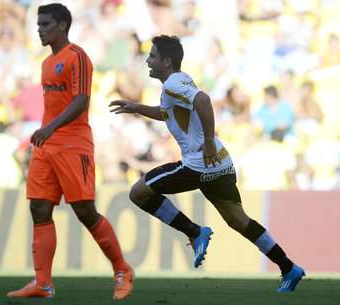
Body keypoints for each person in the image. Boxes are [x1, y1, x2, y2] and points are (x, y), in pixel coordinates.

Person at [109, 35, 305, 292]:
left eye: (153, 56)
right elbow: (165, 112)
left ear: (167, 61)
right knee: (238, 220)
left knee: (138, 193)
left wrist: (209, 141)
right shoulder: (177, 82)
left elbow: (203, 100)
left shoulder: (172, 85)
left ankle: (194, 231)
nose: (148, 60)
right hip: (220, 163)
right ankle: (289, 267)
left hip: (198, 165)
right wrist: (137, 107)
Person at [7, 3, 133, 300]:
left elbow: (81, 101)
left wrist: (50, 128)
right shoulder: (46, 62)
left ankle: (122, 268)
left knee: (85, 212)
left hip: (73, 144)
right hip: (46, 145)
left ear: (63, 26)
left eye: (46, 24)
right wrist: (46, 131)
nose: (40, 29)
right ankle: (43, 283)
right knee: (39, 207)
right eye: (39, 25)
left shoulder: (77, 57)